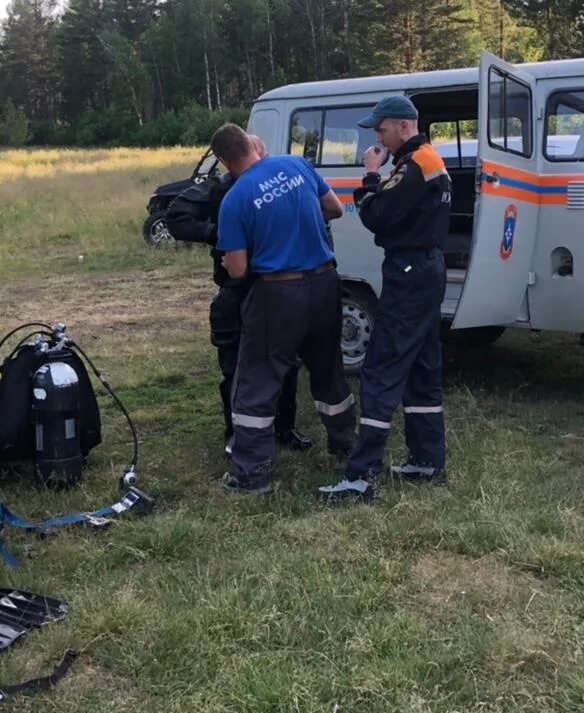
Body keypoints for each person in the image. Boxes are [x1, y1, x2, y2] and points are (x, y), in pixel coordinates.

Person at [210, 123, 357, 493]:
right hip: (324, 283)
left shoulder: (235, 199)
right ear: (252, 145)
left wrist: (231, 261)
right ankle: (346, 445)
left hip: (278, 294)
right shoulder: (297, 165)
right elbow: (335, 209)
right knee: (328, 370)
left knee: (256, 380)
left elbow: (239, 269)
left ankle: (253, 472)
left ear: (226, 162)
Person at [319, 94, 451, 502]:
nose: (377, 138)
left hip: (409, 272)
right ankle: (427, 460)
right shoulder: (429, 160)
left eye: (381, 129)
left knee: (381, 367)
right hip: (427, 268)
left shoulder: (413, 166)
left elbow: (375, 216)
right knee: (424, 365)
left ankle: (361, 476)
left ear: (403, 125)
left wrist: (371, 174)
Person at [162, 135, 311, 456]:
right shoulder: (221, 188)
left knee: (286, 362)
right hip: (237, 289)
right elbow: (175, 217)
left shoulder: (279, 180)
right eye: (258, 150)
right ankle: (236, 433)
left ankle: (285, 427)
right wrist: (218, 233)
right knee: (236, 367)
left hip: (275, 286)